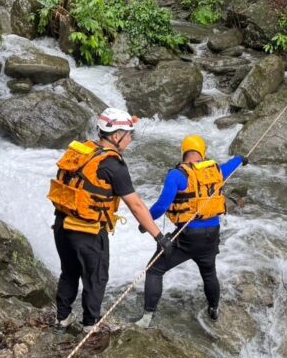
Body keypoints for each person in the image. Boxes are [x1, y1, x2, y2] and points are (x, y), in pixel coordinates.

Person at [47, 107, 173, 331]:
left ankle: (61, 319)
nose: (131, 139)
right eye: (128, 135)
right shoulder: (113, 165)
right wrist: (159, 236)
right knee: (95, 279)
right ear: (116, 136)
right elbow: (135, 205)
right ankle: (89, 325)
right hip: (88, 231)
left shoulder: (84, 150)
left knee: (69, 272)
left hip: (62, 225)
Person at [132, 135, 245, 328]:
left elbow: (161, 205)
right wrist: (242, 159)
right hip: (212, 234)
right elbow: (231, 165)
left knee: (155, 270)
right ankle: (214, 309)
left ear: (184, 152)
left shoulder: (177, 175)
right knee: (209, 272)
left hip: (188, 236)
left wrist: (146, 222)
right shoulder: (216, 170)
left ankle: (146, 319)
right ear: (203, 153)